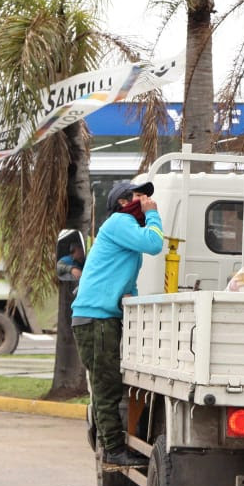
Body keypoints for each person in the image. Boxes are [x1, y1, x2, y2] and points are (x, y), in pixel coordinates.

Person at [71, 179, 165, 469]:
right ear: (124, 203)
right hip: (97, 318)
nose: (145, 200)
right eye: (139, 196)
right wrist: (153, 214)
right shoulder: (119, 222)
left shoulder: (124, 231)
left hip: (100, 317)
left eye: (146, 197)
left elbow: (126, 281)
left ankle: (109, 445)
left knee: (106, 385)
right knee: (107, 387)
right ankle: (112, 449)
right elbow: (155, 243)